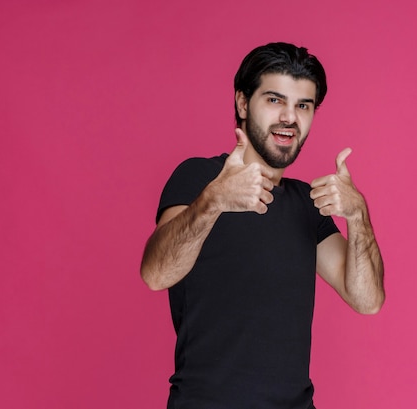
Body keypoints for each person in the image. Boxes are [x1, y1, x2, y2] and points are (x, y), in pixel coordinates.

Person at [140, 42, 385, 409]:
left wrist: (358, 215)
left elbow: (367, 301)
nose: (289, 117)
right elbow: (155, 274)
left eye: (303, 105)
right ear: (242, 103)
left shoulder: (307, 204)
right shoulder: (200, 178)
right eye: (274, 100)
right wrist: (214, 201)